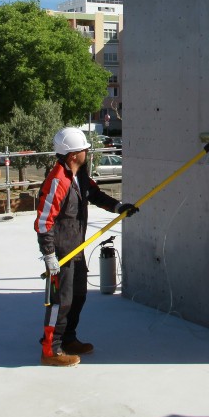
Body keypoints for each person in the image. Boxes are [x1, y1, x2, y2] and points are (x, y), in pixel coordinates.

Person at [35, 126, 137, 367]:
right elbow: (43, 221)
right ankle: (51, 350)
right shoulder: (58, 180)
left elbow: (94, 194)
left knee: (78, 296)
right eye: (84, 150)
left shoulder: (79, 175)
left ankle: (69, 339)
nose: (87, 152)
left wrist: (118, 207)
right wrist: (49, 254)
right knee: (60, 301)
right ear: (72, 155)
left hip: (76, 247)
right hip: (62, 252)